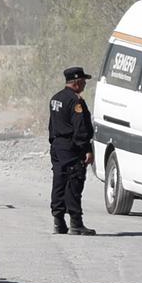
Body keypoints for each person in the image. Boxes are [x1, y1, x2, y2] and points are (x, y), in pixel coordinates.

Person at [47, 66, 96, 235]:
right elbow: (81, 129)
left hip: (57, 147)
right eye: (83, 81)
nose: (85, 84)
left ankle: (58, 222)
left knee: (59, 183)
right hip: (71, 147)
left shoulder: (55, 98)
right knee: (74, 183)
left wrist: (54, 143)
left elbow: (52, 125)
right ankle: (76, 223)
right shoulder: (76, 102)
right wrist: (87, 150)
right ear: (76, 82)